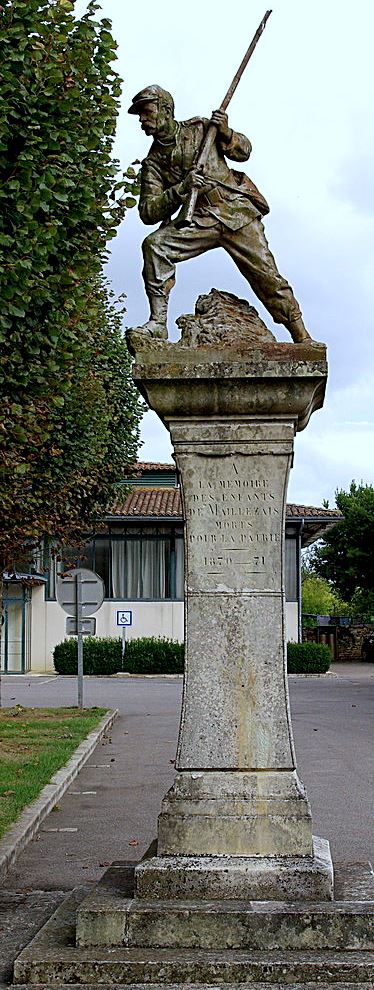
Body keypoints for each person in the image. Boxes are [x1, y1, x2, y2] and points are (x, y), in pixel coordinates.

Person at [128, 84, 311, 343]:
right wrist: (182, 188)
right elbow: (148, 212)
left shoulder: (202, 129)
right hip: (199, 219)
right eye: (140, 116)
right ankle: (158, 322)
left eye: (146, 112)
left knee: (267, 276)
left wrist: (226, 131)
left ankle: (301, 335)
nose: (142, 120)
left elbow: (244, 152)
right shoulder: (153, 163)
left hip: (235, 211)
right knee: (155, 246)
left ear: (166, 110)